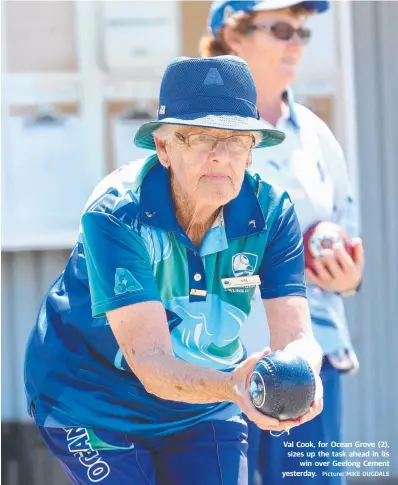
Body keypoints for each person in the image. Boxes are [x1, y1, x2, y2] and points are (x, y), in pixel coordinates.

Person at [24, 55, 323, 485]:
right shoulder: (116, 214)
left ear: (253, 151)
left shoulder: (272, 212)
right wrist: (234, 386)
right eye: (200, 137)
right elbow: (151, 361)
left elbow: (297, 337)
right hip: (90, 397)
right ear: (163, 148)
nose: (221, 156)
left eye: (237, 139)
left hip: (205, 398)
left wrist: (303, 374)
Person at [200, 2, 364, 485]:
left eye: (303, 32)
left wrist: (349, 277)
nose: (296, 42)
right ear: (234, 35)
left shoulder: (315, 134)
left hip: (309, 365)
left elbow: (348, 235)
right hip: (221, 368)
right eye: (281, 29)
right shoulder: (197, 136)